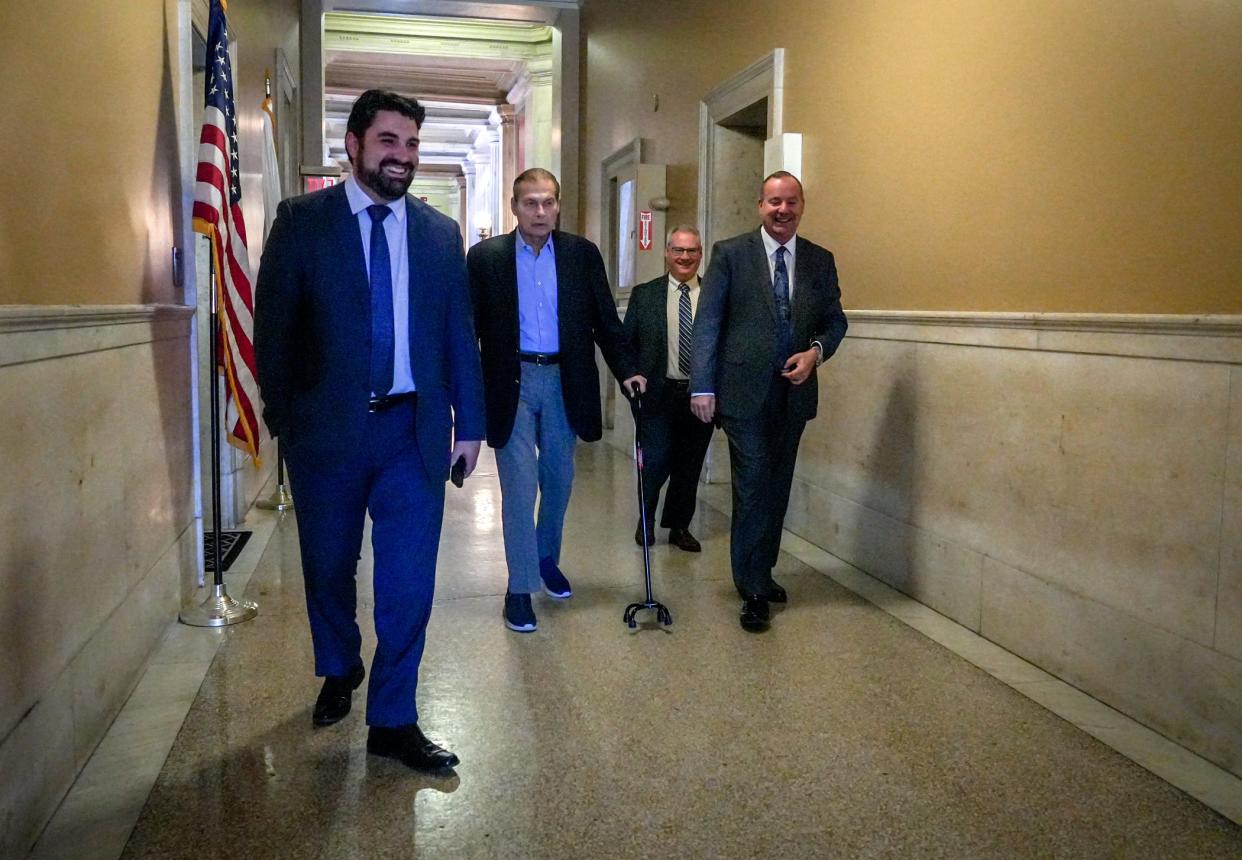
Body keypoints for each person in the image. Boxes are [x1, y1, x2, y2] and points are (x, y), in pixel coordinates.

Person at [254, 89, 485, 772]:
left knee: (408, 585)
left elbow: (457, 337)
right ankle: (339, 665)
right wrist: (285, 421)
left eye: (412, 144)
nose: (402, 157)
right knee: (327, 570)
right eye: (389, 141)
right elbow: (274, 333)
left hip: (411, 436)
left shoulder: (439, 234)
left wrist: (468, 424)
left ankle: (393, 718)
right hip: (327, 436)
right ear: (353, 145)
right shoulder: (302, 222)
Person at [468, 168, 645, 633]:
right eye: (530, 203)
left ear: (559, 205)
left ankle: (546, 559)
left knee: (559, 480)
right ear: (514, 207)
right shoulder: (486, 259)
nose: (540, 212)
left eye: (548, 202)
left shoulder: (581, 256)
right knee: (521, 487)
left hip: (566, 379)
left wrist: (628, 370)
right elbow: (468, 330)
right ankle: (519, 587)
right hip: (512, 382)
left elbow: (606, 320)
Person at [689, 171, 848, 633]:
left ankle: (763, 569)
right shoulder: (730, 254)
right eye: (774, 202)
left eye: (792, 202)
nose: (783, 210)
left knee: (777, 487)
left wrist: (815, 353)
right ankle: (752, 586)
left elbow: (835, 321)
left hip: (794, 394)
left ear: (802, 207)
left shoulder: (820, 260)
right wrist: (702, 386)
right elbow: (708, 323)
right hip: (742, 394)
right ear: (760, 205)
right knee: (754, 484)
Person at [624, 225, 714, 552]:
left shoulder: (713, 296)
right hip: (657, 397)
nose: (685, 257)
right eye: (678, 250)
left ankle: (679, 526)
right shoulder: (645, 295)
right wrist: (631, 378)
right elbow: (627, 344)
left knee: (688, 466)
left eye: (691, 251)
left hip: (700, 397)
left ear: (700, 254)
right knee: (657, 460)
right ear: (667, 253)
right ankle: (645, 519)